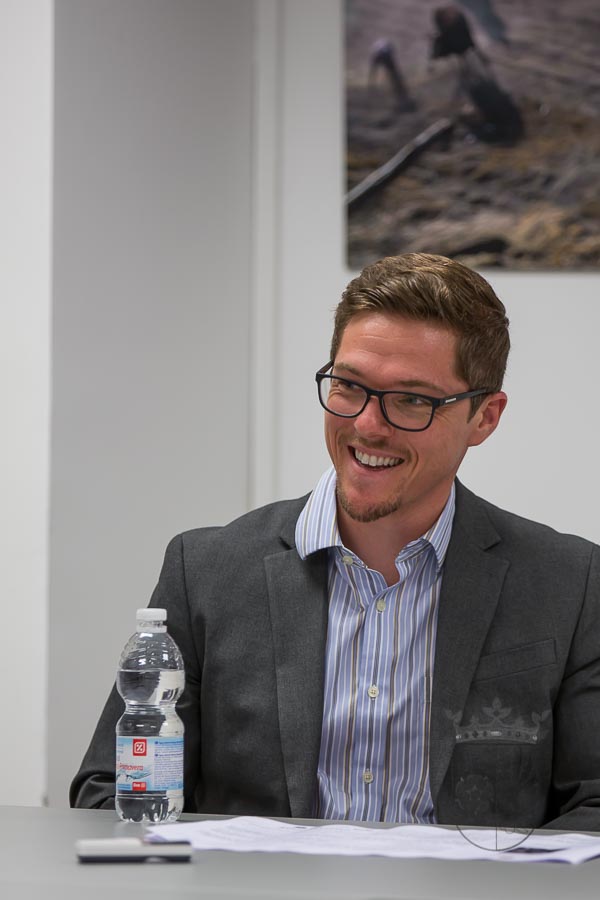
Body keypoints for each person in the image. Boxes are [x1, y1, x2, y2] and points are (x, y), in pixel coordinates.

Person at [71, 252, 600, 830]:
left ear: (485, 417)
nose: (368, 425)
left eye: (412, 400)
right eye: (349, 386)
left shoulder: (569, 584)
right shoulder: (205, 572)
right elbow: (113, 794)